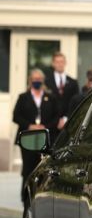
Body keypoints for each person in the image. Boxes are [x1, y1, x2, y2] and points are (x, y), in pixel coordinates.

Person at [13, 69, 60, 201]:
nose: (37, 81)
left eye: (39, 79)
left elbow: (57, 116)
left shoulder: (50, 97)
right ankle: (26, 196)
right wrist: (30, 126)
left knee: (44, 167)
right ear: (30, 80)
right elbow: (16, 116)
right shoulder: (23, 97)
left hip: (45, 137)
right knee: (28, 167)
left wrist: (45, 126)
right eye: (34, 79)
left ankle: (42, 195)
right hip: (28, 138)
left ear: (43, 81)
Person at [44, 52, 79, 130]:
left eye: (62, 62)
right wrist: (56, 121)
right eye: (57, 62)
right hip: (50, 124)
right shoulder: (46, 82)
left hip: (68, 123)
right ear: (53, 64)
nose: (60, 64)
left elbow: (75, 103)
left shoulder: (73, 82)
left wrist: (66, 118)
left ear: (65, 63)